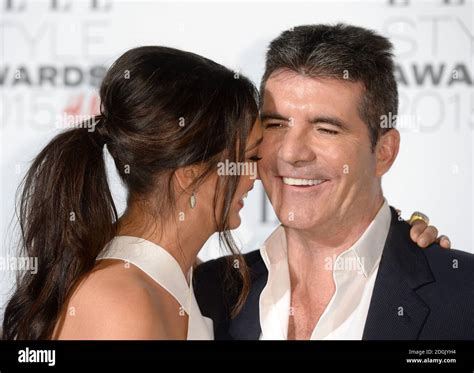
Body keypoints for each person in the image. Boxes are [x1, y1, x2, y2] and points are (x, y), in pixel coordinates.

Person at [1, 43, 448, 341]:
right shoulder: (123, 300)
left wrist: (399, 247)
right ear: (189, 175)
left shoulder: (198, 281)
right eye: (248, 157)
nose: (258, 176)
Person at [194, 24, 474, 340]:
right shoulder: (208, 292)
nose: (292, 152)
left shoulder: (464, 295)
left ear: (384, 152)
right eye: (275, 124)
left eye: (326, 129)